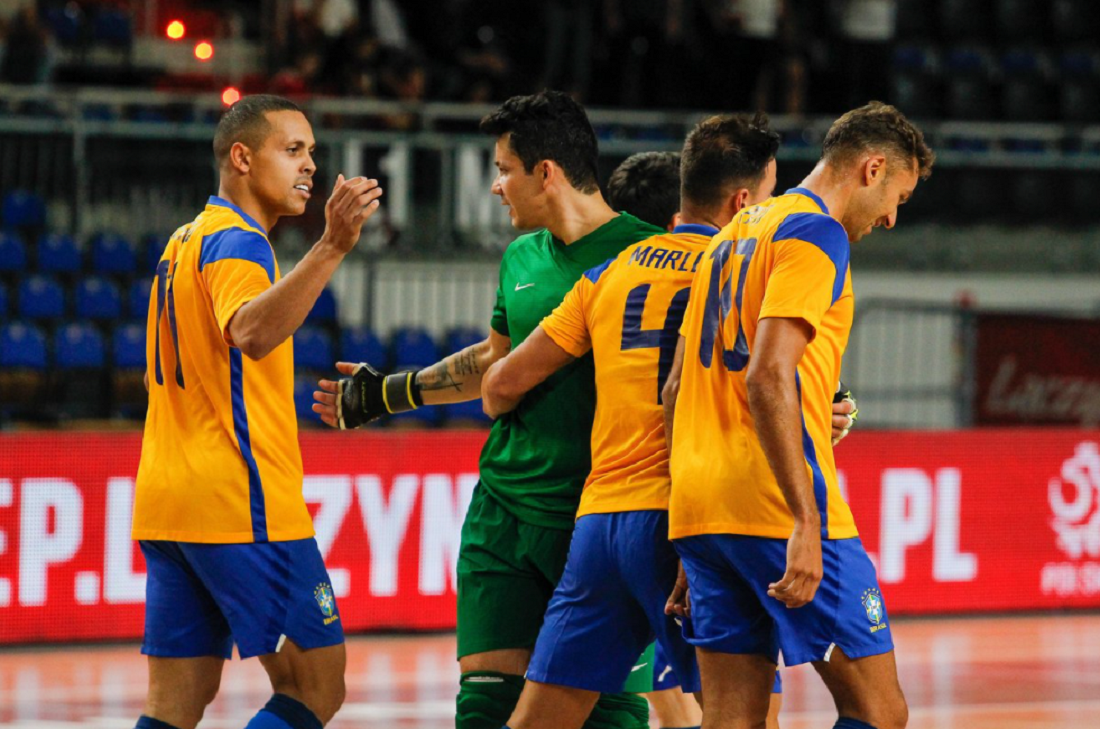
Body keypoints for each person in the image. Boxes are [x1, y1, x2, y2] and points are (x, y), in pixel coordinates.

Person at [312, 90, 660, 729]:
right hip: (502, 511)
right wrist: (391, 392)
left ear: (546, 172)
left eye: (504, 169)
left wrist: (828, 402)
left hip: (596, 521)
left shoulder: (649, 257)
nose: (497, 186)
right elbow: (498, 363)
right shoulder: (521, 257)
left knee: (605, 712)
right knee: (484, 706)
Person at [479, 112, 783, 729]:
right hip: (690, 519)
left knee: (540, 720)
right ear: (745, 200)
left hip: (599, 527)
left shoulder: (612, 271)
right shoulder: (748, 275)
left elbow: (499, 383)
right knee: (745, 716)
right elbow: (764, 388)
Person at [664, 101, 934, 729]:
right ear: (871, 168)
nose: (893, 217)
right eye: (898, 195)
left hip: (704, 510)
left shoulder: (733, 232)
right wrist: (805, 519)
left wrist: (693, 528)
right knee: (878, 710)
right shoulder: (817, 233)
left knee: (732, 718)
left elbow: (680, 386)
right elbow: (766, 374)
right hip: (775, 507)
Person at [131, 94, 383, 729]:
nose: (310, 168)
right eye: (292, 150)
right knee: (316, 686)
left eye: (313, 154)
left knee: (175, 703)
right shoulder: (241, 244)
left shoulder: (183, 240)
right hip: (240, 504)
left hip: (167, 501)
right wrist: (330, 247)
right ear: (242, 157)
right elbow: (250, 332)